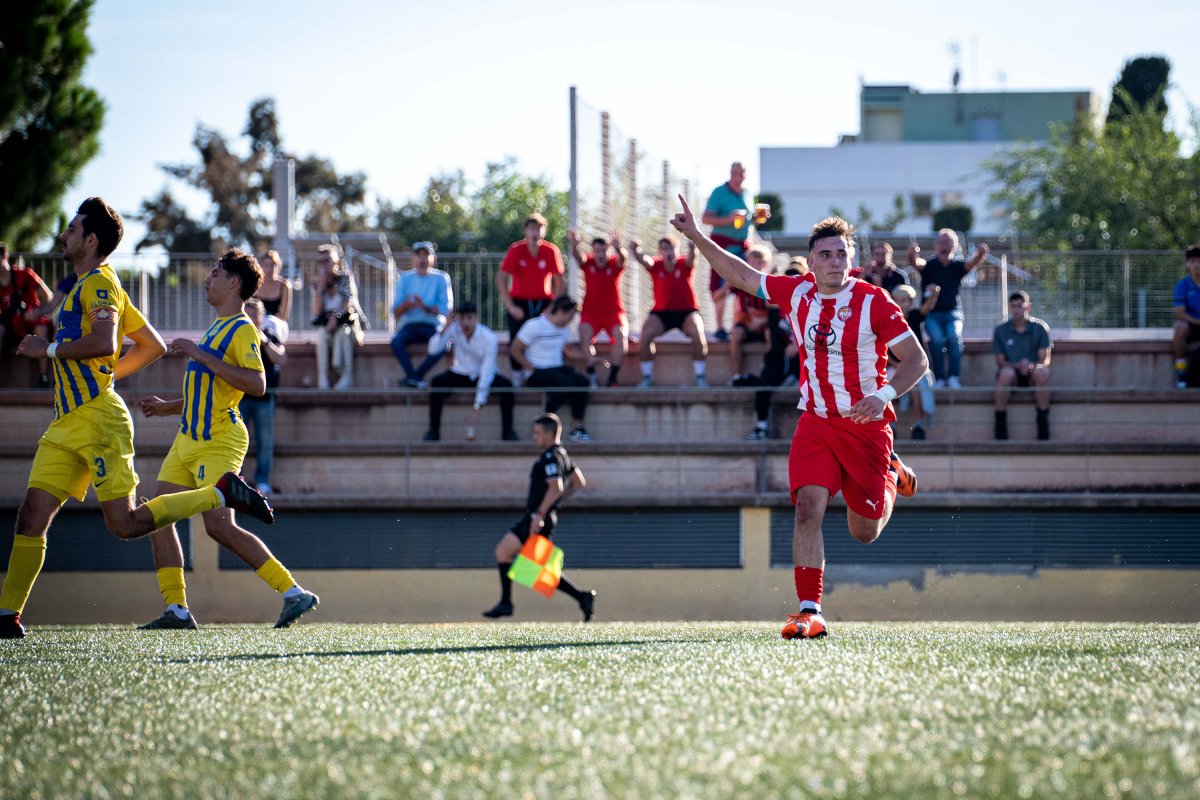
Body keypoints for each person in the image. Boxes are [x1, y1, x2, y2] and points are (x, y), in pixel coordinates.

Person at [0, 198, 272, 639]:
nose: (63, 235)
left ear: (90, 240)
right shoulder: (87, 284)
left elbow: (106, 340)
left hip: (98, 422)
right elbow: (152, 346)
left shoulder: (100, 284)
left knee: (125, 524)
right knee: (31, 516)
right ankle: (7, 615)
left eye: (71, 229)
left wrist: (47, 350)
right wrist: (105, 373)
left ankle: (217, 494)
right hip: (65, 422)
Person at [671, 196, 925, 641]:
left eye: (842, 254)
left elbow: (916, 360)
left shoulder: (873, 301)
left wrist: (881, 395)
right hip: (816, 423)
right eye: (825, 255)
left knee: (863, 531)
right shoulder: (798, 291)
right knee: (808, 509)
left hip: (866, 427)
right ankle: (810, 611)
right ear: (810, 262)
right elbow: (742, 275)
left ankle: (890, 473)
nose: (834, 261)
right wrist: (696, 236)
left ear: (852, 259)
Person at [135, 250, 317, 631]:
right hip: (187, 439)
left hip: (220, 439)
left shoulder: (241, 329)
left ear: (233, 283)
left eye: (215, 273)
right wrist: (166, 407)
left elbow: (257, 384)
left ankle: (292, 591)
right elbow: (208, 392)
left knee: (217, 527)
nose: (208, 279)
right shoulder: (215, 329)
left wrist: (200, 354)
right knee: (161, 515)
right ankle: (177, 610)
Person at [482, 413, 596, 622]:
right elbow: (578, 482)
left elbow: (557, 486)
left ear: (549, 433)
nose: (535, 437)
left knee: (506, 553)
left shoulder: (550, 457)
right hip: (540, 517)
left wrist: (542, 512)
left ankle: (506, 603)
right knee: (534, 566)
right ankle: (582, 596)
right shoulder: (562, 454)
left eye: (538, 433)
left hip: (536, 519)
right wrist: (554, 504)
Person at [424, 300, 518, 442]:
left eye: (469, 318)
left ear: (476, 318)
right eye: (461, 318)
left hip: (483, 374)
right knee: (437, 383)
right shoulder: (453, 328)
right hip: (461, 373)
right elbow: (433, 350)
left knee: (507, 387)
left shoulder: (489, 337)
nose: (465, 323)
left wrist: (477, 405)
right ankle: (433, 432)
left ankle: (508, 432)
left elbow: (487, 371)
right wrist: (445, 326)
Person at [906, 230, 989, 388]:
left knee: (954, 336)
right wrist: (912, 254)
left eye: (948, 242)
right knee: (936, 339)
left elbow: (972, 264)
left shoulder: (957, 266)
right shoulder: (929, 265)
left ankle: (953, 377)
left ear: (955, 245)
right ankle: (940, 377)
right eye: (941, 242)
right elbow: (916, 263)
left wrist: (981, 253)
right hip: (931, 314)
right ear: (936, 246)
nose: (944, 246)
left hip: (953, 313)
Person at [628, 236, 708, 387]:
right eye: (665, 249)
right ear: (660, 252)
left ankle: (700, 377)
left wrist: (693, 248)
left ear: (677, 250)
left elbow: (692, 258)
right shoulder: (656, 265)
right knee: (645, 334)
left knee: (697, 331)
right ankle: (647, 377)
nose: (669, 252)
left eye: (672, 248)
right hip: (662, 313)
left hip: (687, 312)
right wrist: (635, 250)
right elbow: (645, 260)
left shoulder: (684, 264)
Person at [510, 296, 593, 442]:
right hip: (537, 372)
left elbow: (568, 352)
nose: (571, 320)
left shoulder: (565, 329)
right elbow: (515, 350)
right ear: (560, 311)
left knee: (582, 382)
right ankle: (542, 423)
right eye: (570, 315)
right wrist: (532, 369)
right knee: (566, 385)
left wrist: (590, 358)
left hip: (556, 368)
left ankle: (577, 428)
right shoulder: (534, 325)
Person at [496, 213, 565, 380]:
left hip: (544, 303)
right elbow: (501, 276)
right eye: (532, 228)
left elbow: (559, 280)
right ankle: (517, 376)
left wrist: (553, 306)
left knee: (545, 336)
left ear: (544, 231)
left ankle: (542, 372)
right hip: (520, 303)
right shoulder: (516, 249)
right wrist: (511, 306)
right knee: (517, 339)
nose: (535, 232)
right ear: (526, 231)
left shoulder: (551, 250)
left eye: (539, 228)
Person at [747, 265, 806, 441]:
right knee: (763, 385)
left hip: (804, 356)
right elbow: (764, 291)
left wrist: (798, 344)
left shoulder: (812, 306)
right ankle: (761, 427)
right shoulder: (775, 307)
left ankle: (815, 432)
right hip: (780, 357)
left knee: (815, 389)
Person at [567, 229, 627, 387]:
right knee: (584, 334)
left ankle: (612, 378)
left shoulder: (614, 264)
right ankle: (592, 376)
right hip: (590, 313)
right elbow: (577, 257)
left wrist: (619, 248)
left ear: (609, 250)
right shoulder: (589, 263)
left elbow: (623, 259)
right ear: (593, 251)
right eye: (597, 250)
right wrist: (574, 246)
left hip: (614, 313)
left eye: (604, 250)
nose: (600, 254)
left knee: (621, 336)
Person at [239, 297, 287, 494]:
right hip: (240, 398)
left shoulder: (269, 335)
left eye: (254, 316)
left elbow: (281, 358)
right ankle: (236, 479)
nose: (250, 320)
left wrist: (264, 342)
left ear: (261, 317)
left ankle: (262, 481)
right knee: (236, 441)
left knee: (265, 442)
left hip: (265, 399)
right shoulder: (238, 337)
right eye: (246, 316)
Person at [390, 241, 452, 389]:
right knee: (396, 342)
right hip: (409, 325)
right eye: (419, 255)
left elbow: (446, 309)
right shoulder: (404, 278)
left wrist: (424, 307)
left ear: (433, 258)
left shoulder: (442, 278)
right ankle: (414, 377)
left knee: (444, 345)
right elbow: (395, 312)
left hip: (433, 325)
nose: (422, 259)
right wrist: (406, 305)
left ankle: (415, 377)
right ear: (413, 258)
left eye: (426, 255)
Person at [992, 291, 1053, 441]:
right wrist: (1018, 365)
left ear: (1028, 306)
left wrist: (1030, 366)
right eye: (1013, 306)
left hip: (1033, 373)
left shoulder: (1040, 328)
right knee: (1005, 374)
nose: (1016, 310)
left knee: (1042, 373)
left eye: (1020, 305)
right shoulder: (1000, 330)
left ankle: (1043, 419)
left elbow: (1044, 360)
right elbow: (1000, 361)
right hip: (1012, 374)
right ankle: (1000, 421)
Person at [702, 161, 752, 341]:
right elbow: (706, 218)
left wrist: (756, 220)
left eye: (741, 173)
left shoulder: (746, 193)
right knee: (719, 285)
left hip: (742, 247)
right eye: (735, 173)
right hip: (723, 247)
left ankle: (738, 324)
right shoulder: (719, 192)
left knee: (742, 285)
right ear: (730, 173)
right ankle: (720, 327)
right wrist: (728, 220)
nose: (738, 176)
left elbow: (747, 220)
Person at [0, 243, 55, 386]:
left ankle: (43, 377)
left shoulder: (24, 274)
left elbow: (48, 296)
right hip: (10, 327)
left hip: (30, 321)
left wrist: (38, 312)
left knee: (41, 328)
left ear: (4, 256)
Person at [890, 284, 939, 440]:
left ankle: (919, 424)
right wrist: (898, 365)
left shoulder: (914, 316)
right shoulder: (888, 319)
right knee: (882, 384)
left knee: (917, 385)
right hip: (893, 366)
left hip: (917, 368)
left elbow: (926, 308)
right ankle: (889, 425)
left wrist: (934, 294)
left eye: (903, 300)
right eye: (896, 300)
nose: (900, 304)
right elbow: (884, 350)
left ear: (910, 302)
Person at [310, 244, 362, 389]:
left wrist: (336, 316)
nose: (323, 265)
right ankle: (323, 378)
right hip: (326, 325)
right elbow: (316, 310)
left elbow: (348, 302)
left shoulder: (345, 278)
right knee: (321, 336)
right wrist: (320, 287)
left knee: (343, 334)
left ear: (336, 261)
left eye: (327, 260)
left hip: (346, 322)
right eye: (320, 261)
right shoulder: (316, 282)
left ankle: (347, 376)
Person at [728, 246, 775, 384]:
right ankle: (736, 375)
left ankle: (766, 372)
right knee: (736, 334)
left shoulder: (771, 282)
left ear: (765, 264)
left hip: (765, 323)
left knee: (770, 335)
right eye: (752, 262)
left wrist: (762, 320)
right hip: (747, 322)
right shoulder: (741, 282)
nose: (755, 266)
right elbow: (716, 297)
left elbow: (777, 310)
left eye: (759, 263)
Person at [1172, 245, 1200, 388]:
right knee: (1179, 328)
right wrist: (1197, 321)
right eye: (1193, 261)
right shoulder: (1182, 285)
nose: (1197, 265)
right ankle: (1181, 373)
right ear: (1187, 264)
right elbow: (1179, 313)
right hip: (1192, 325)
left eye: (1199, 261)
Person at [254, 249, 292, 324]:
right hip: (257, 324)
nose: (268, 269)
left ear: (278, 266)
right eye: (265, 265)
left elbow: (283, 316)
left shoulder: (284, 285)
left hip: (276, 325)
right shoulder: (254, 283)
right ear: (260, 266)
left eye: (272, 265)